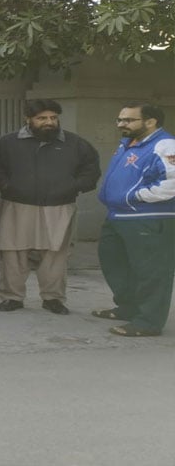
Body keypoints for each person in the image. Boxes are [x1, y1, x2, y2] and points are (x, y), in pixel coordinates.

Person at [0, 100, 100, 314]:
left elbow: (90, 170)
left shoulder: (76, 144)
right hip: (16, 204)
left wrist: (73, 187)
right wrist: (7, 185)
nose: (49, 122)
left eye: (53, 118)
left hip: (59, 205)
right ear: (28, 119)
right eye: (42, 118)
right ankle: (12, 297)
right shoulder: (7, 143)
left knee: (55, 254)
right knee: (13, 252)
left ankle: (53, 299)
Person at [93, 102, 175, 337]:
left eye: (128, 120)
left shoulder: (165, 145)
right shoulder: (128, 144)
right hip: (118, 216)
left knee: (151, 271)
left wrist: (136, 196)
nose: (121, 124)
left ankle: (148, 321)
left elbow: (172, 182)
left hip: (148, 218)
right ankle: (128, 308)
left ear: (151, 122)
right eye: (119, 119)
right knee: (115, 263)